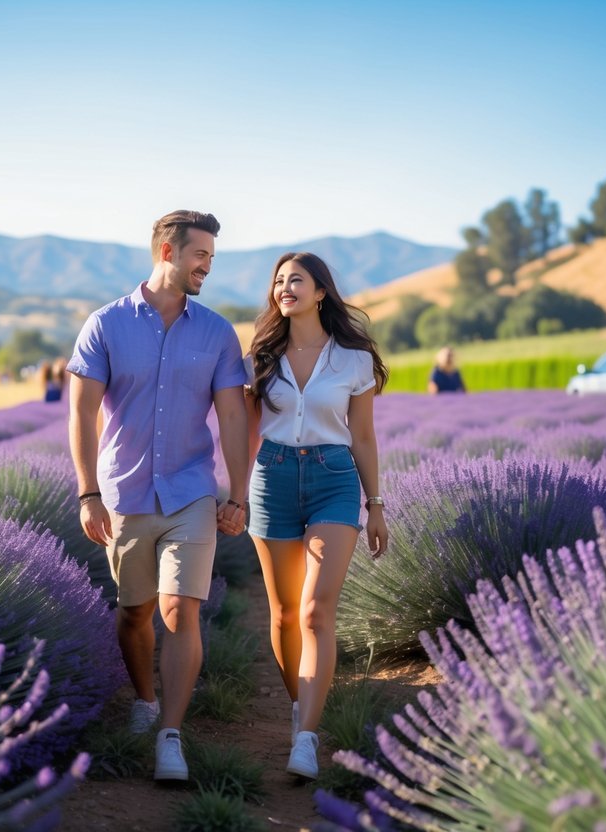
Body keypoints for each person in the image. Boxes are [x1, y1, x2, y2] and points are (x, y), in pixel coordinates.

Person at [67, 209, 249, 783]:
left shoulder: (218, 332)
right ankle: (145, 700)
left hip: (191, 491)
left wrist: (237, 492)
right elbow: (82, 412)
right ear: (167, 252)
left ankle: (170, 734)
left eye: (212, 259)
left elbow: (233, 417)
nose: (207, 267)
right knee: (135, 613)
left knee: (179, 609)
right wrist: (88, 492)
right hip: (124, 492)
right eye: (201, 256)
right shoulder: (104, 325)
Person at [243, 252, 389, 780]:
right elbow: (244, 432)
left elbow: (365, 436)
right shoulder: (260, 355)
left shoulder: (352, 359)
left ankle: (306, 736)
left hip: (333, 478)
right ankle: (298, 706)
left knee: (314, 612)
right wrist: (236, 493)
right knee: (283, 615)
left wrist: (375, 506)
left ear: (321, 291)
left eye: (296, 280)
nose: (285, 288)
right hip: (273, 478)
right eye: (279, 281)